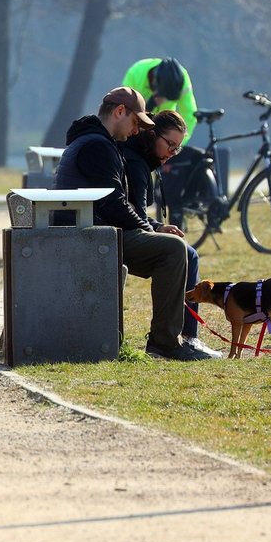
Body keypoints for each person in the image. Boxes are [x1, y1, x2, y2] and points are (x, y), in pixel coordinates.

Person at [51, 86, 213, 361]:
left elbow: (113, 202)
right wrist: (148, 228)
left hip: (91, 231)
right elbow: (114, 204)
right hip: (91, 236)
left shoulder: (96, 142)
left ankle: (173, 338)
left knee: (172, 249)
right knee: (174, 249)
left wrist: (149, 228)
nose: (137, 131)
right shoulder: (98, 146)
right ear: (119, 112)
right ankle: (166, 342)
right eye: (136, 123)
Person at [121, 110, 223, 358]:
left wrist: (156, 227)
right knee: (182, 252)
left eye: (177, 148)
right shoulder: (135, 161)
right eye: (170, 145)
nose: (172, 153)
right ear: (153, 134)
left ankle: (189, 338)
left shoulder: (145, 159)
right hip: (115, 236)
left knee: (189, 253)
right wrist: (153, 229)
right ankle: (168, 341)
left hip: (126, 229)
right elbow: (125, 211)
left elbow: (134, 211)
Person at [121, 57, 197, 146]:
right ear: (153, 83)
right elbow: (125, 111)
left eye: (168, 98)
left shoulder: (182, 79)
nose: (164, 101)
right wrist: (150, 105)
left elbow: (189, 115)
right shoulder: (136, 73)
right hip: (135, 130)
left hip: (163, 132)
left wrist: (176, 144)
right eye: (162, 96)